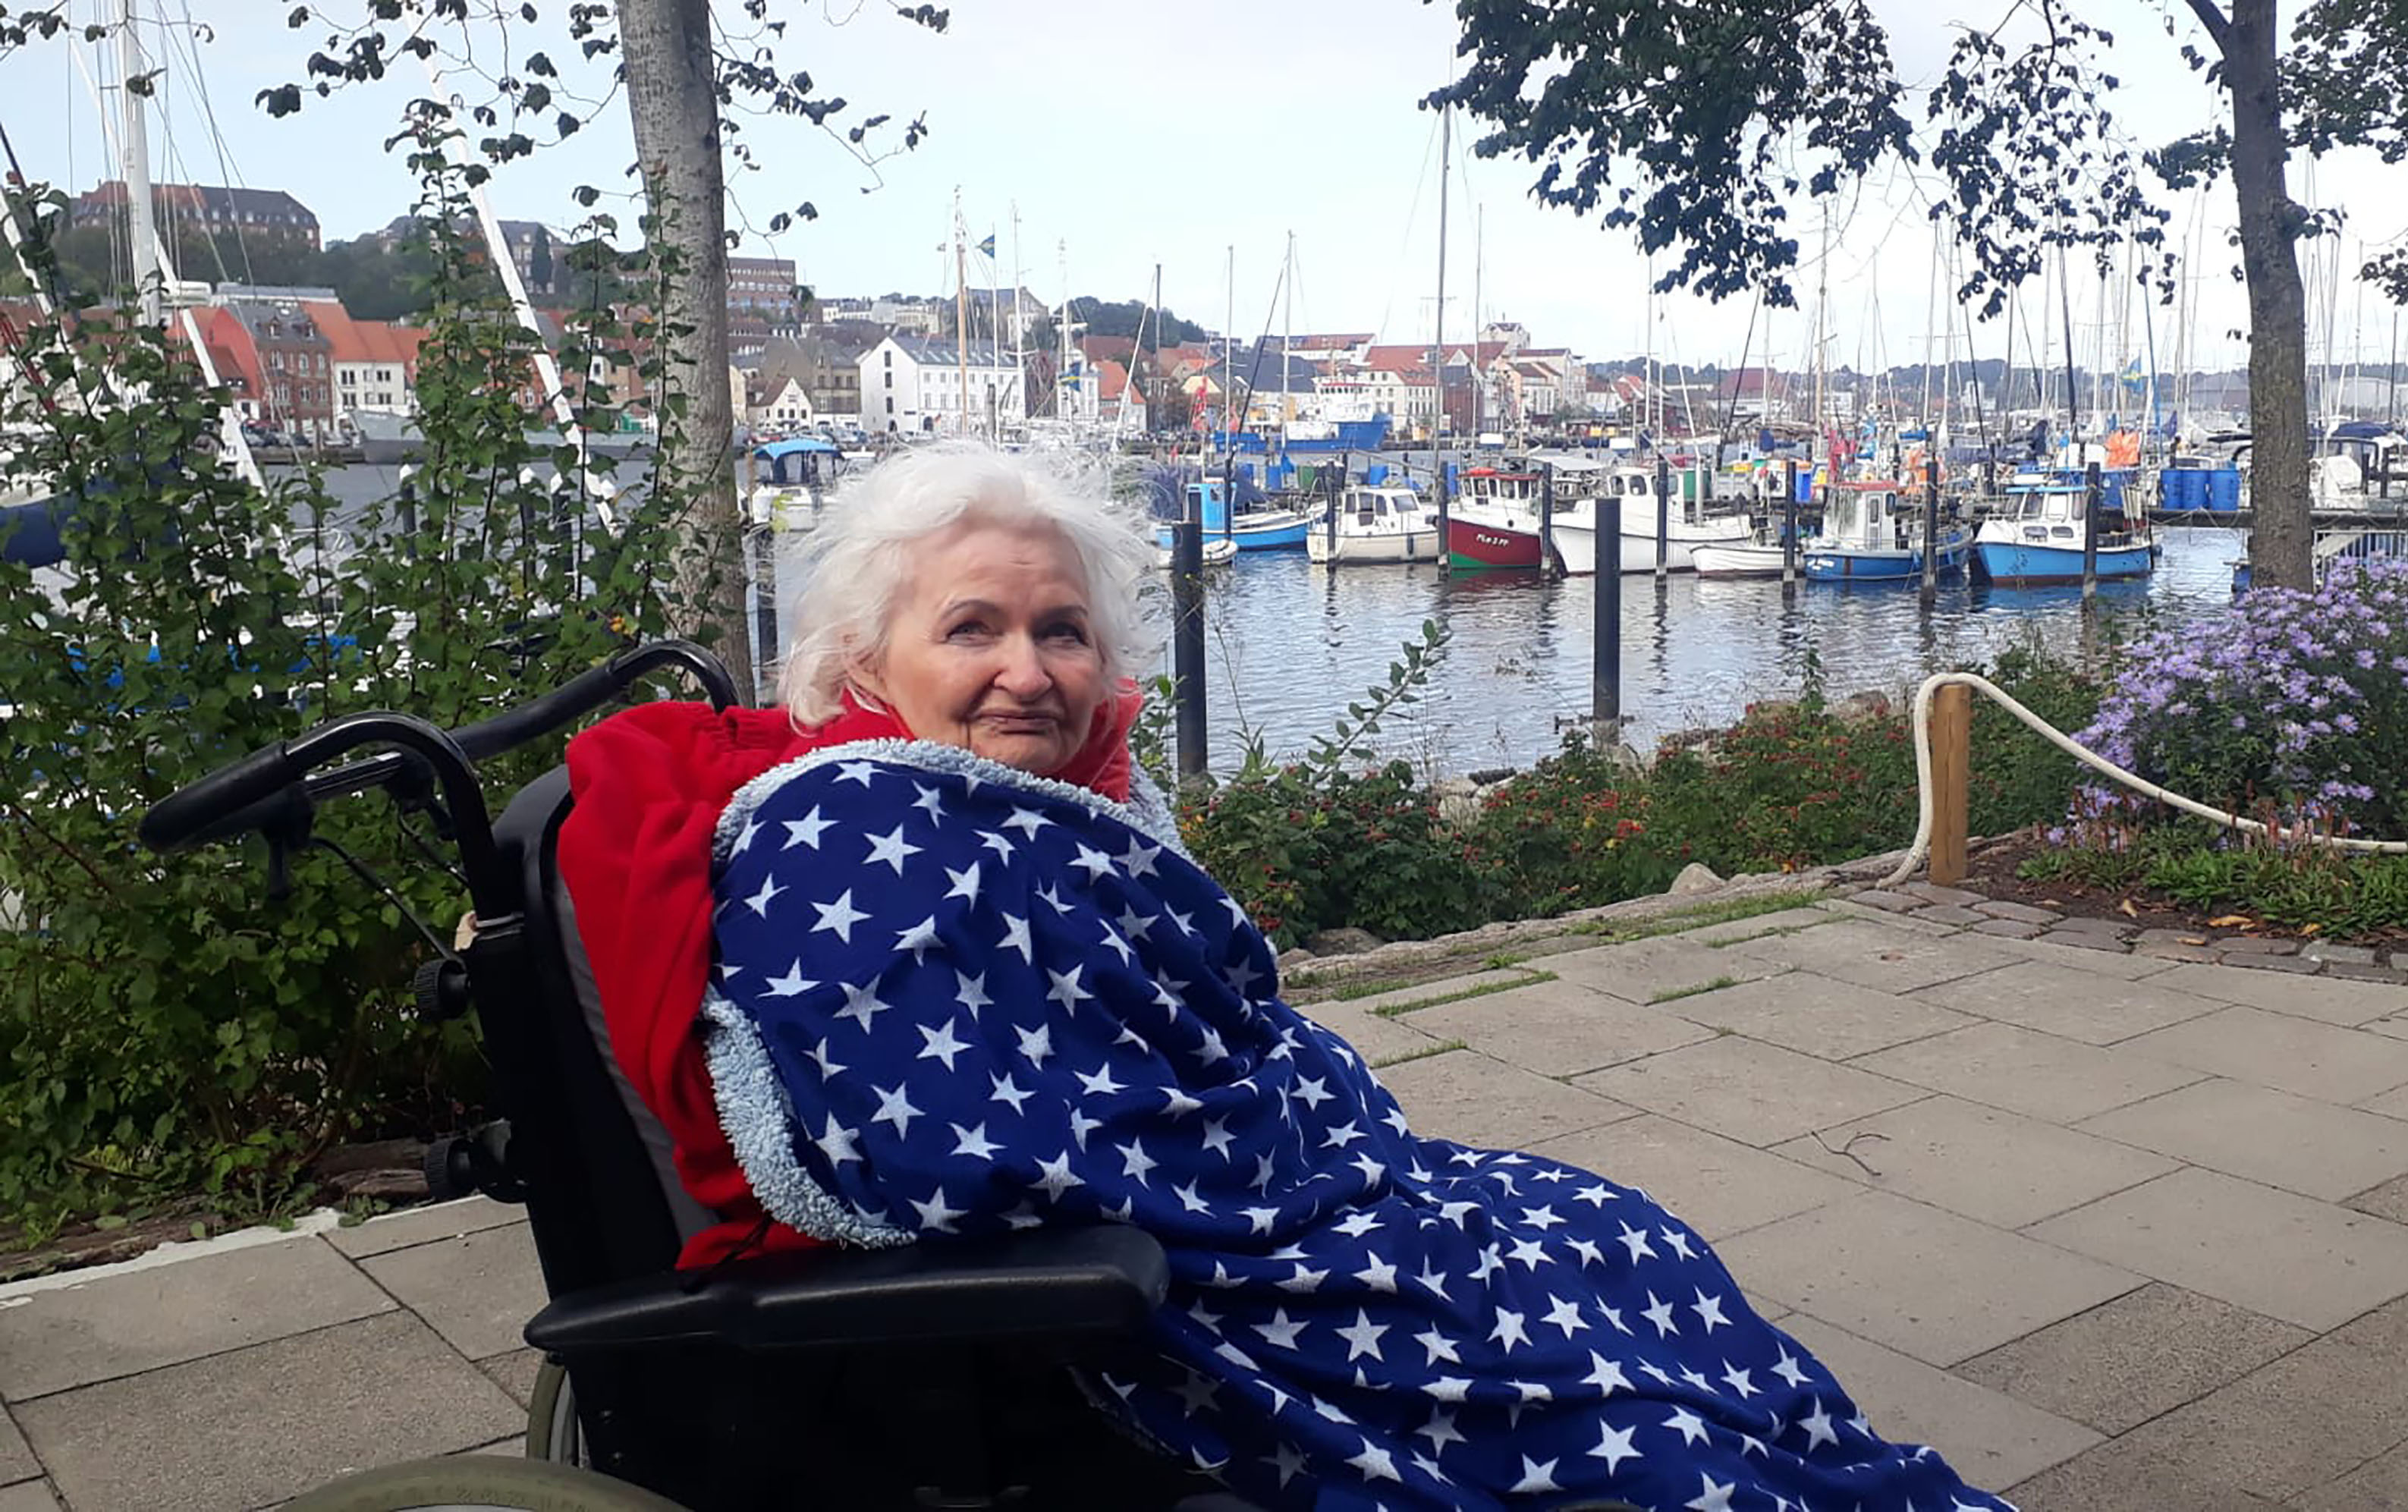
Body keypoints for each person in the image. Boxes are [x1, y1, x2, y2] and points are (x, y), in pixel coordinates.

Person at [561, 444, 2010, 1510]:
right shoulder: (849, 835)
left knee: (1623, 1240)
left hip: (1284, 1184)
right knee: (1625, 1416)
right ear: (863, 661)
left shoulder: (1032, 808)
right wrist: (1264, 1179)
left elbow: (1198, 1024)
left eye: (1062, 629)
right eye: (972, 628)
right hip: (1162, 1283)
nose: (1030, 670)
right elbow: (956, 1144)